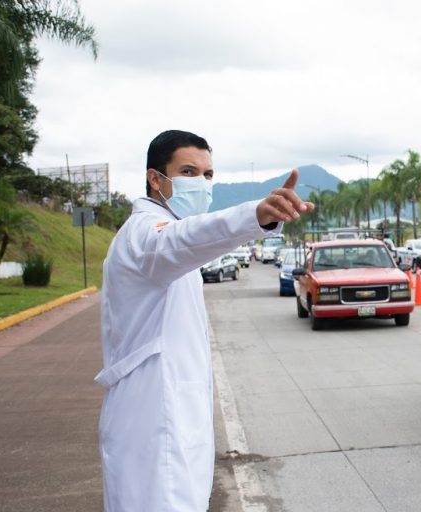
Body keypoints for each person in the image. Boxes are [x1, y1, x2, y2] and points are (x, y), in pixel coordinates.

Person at [95, 130, 313, 511]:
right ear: (155, 178)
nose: (202, 183)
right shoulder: (145, 234)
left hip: (174, 421)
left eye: (208, 175)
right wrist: (254, 216)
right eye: (189, 172)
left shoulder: (164, 231)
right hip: (152, 423)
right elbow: (180, 240)